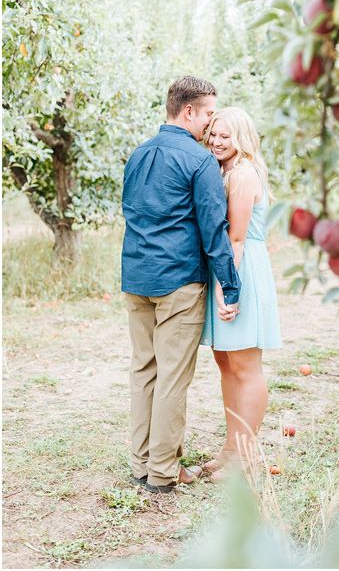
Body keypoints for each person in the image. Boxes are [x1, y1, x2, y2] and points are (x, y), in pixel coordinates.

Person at [121, 76, 241, 494]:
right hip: (178, 281)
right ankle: (162, 471)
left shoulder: (137, 155)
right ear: (188, 111)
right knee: (173, 376)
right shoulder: (199, 160)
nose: (212, 122)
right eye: (209, 113)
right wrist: (231, 284)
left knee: (144, 370)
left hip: (136, 277)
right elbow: (214, 229)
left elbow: (132, 214)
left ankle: (141, 462)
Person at [200, 106, 282, 480]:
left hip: (240, 268)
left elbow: (236, 237)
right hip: (227, 266)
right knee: (226, 364)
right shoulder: (223, 170)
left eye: (225, 135)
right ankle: (230, 449)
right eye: (214, 133)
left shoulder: (244, 173)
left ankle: (246, 457)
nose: (217, 140)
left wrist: (225, 287)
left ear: (242, 138)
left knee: (246, 367)